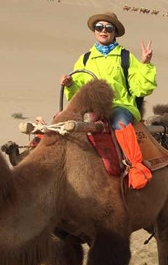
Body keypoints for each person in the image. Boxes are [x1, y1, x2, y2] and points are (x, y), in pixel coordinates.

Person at [60, 11, 155, 189]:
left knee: (119, 123)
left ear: (114, 32)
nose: (103, 31)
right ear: (95, 31)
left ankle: (135, 167)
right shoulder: (86, 58)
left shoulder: (125, 57)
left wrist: (145, 64)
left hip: (120, 106)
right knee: (68, 124)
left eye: (108, 28)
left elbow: (141, 87)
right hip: (92, 108)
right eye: (99, 27)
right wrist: (69, 83)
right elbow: (78, 89)